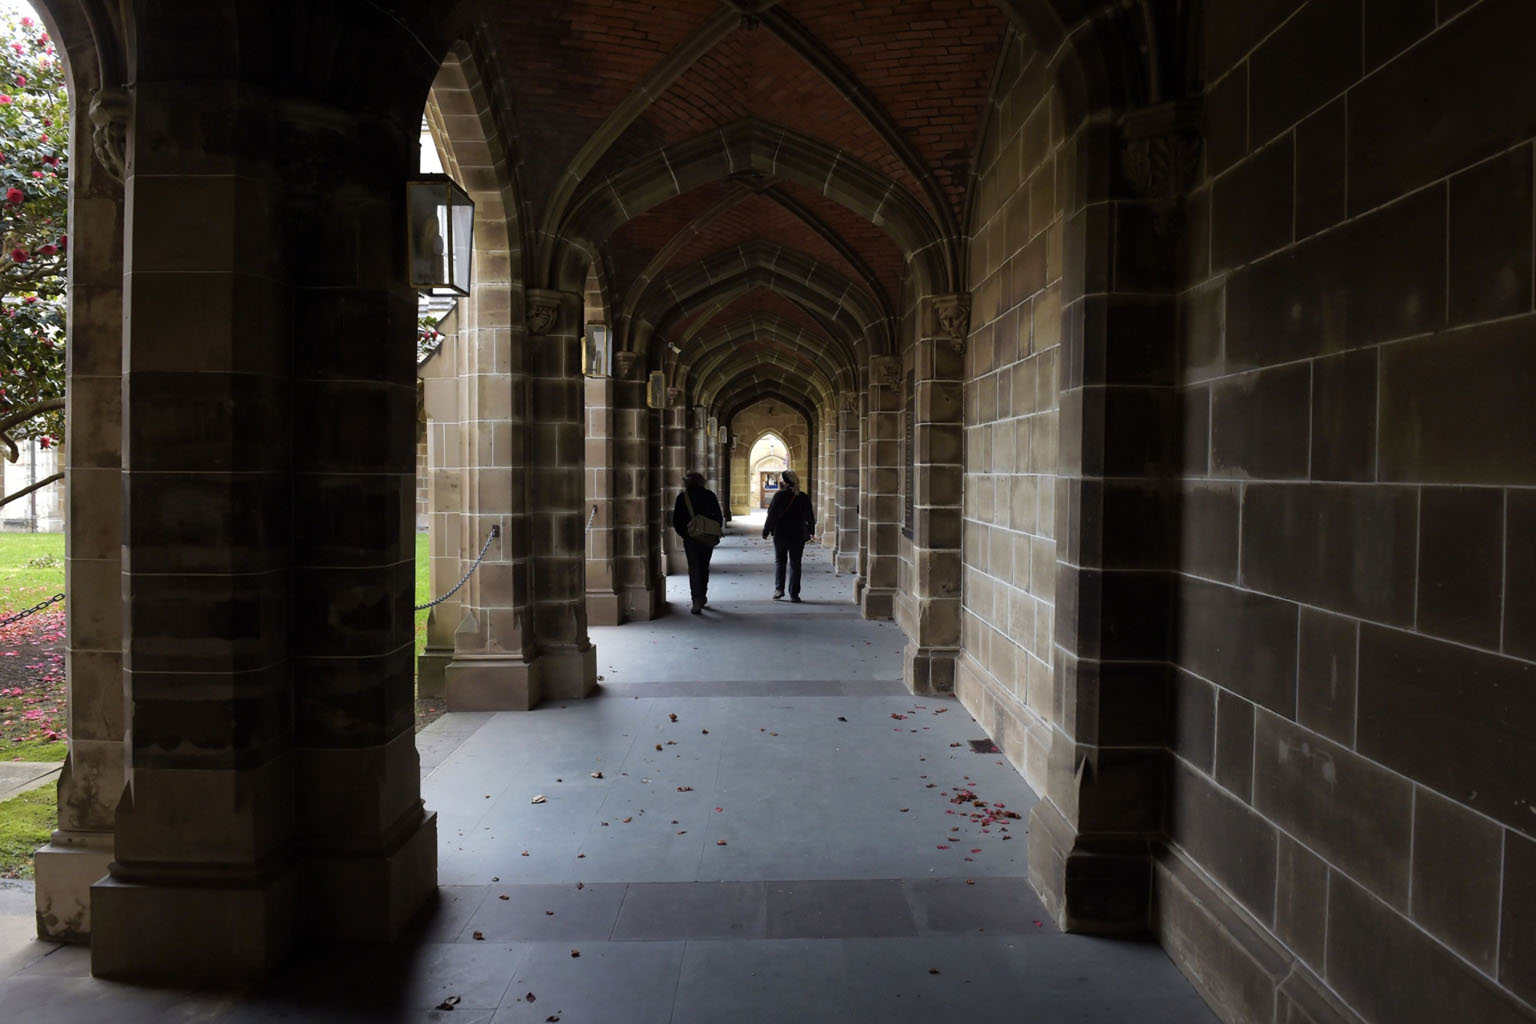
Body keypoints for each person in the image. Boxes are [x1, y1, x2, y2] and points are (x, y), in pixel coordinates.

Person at [672, 471, 723, 615]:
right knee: (704, 566)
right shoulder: (710, 495)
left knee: (694, 568)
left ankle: (696, 600)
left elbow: (676, 520)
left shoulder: (682, 498)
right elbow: (718, 517)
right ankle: (703, 595)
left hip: (691, 539)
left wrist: (686, 534)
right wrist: (711, 531)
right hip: (707, 538)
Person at [762, 469, 815, 603]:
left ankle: (779, 589)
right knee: (796, 564)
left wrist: (766, 530)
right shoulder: (803, 496)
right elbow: (810, 515)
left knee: (780, 561)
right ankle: (794, 594)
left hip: (781, 533)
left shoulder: (779, 496)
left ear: (785, 482)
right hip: (798, 534)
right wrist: (811, 530)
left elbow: (772, 514)